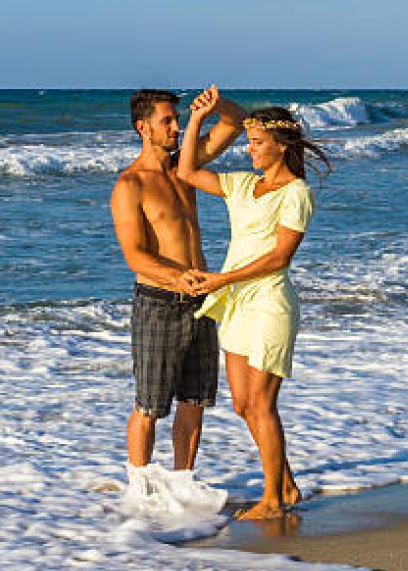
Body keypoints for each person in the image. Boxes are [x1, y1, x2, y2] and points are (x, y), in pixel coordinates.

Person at [178, 85, 330, 520]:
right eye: (249, 142)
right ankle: (286, 485)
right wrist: (200, 117)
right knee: (243, 404)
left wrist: (221, 279)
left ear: (282, 147)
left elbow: (280, 257)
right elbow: (187, 170)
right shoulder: (244, 185)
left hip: (269, 305)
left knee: (262, 404)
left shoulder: (296, 193)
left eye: (258, 144)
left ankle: (273, 500)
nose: (250, 150)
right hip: (236, 306)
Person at [110, 88, 245, 479]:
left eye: (176, 119)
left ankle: (182, 483)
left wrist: (214, 107)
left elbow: (235, 123)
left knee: (194, 401)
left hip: (201, 300)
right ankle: (140, 489)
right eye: (166, 121)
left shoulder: (185, 167)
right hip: (159, 302)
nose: (175, 127)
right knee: (150, 406)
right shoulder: (130, 185)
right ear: (142, 127)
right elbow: (134, 255)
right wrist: (175, 277)